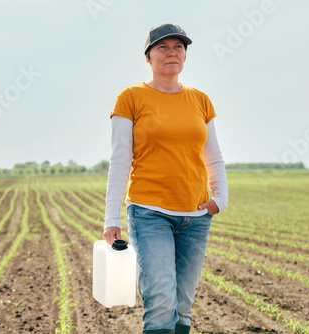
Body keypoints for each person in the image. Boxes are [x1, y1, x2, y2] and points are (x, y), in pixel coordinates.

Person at [103, 23, 228, 334]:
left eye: (179, 47)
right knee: (160, 300)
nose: (172, 52)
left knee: (182, 305)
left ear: (184, 56)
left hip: (196, 216)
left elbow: (212, 155)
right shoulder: (131, 97)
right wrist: (111, 217)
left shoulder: (200, 99)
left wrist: (219, 200)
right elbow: (120, 159)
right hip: (150, 213)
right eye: (163, 47)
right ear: (148, 57)